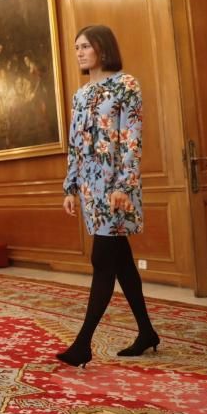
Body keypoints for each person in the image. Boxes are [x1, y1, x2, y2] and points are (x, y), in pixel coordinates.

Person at [59, 24, 158, 368]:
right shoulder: (81, 94)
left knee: (103, 260)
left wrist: (123, 185)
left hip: (117, 188)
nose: (80, 52)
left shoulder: (126, 84)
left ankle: (82, 344)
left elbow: (132, 138)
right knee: (122, 262)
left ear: (103, 47)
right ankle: (147, 333)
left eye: (86, 46)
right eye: (76, 48)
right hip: (90, 189)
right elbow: (75, 144)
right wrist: (71, 187)